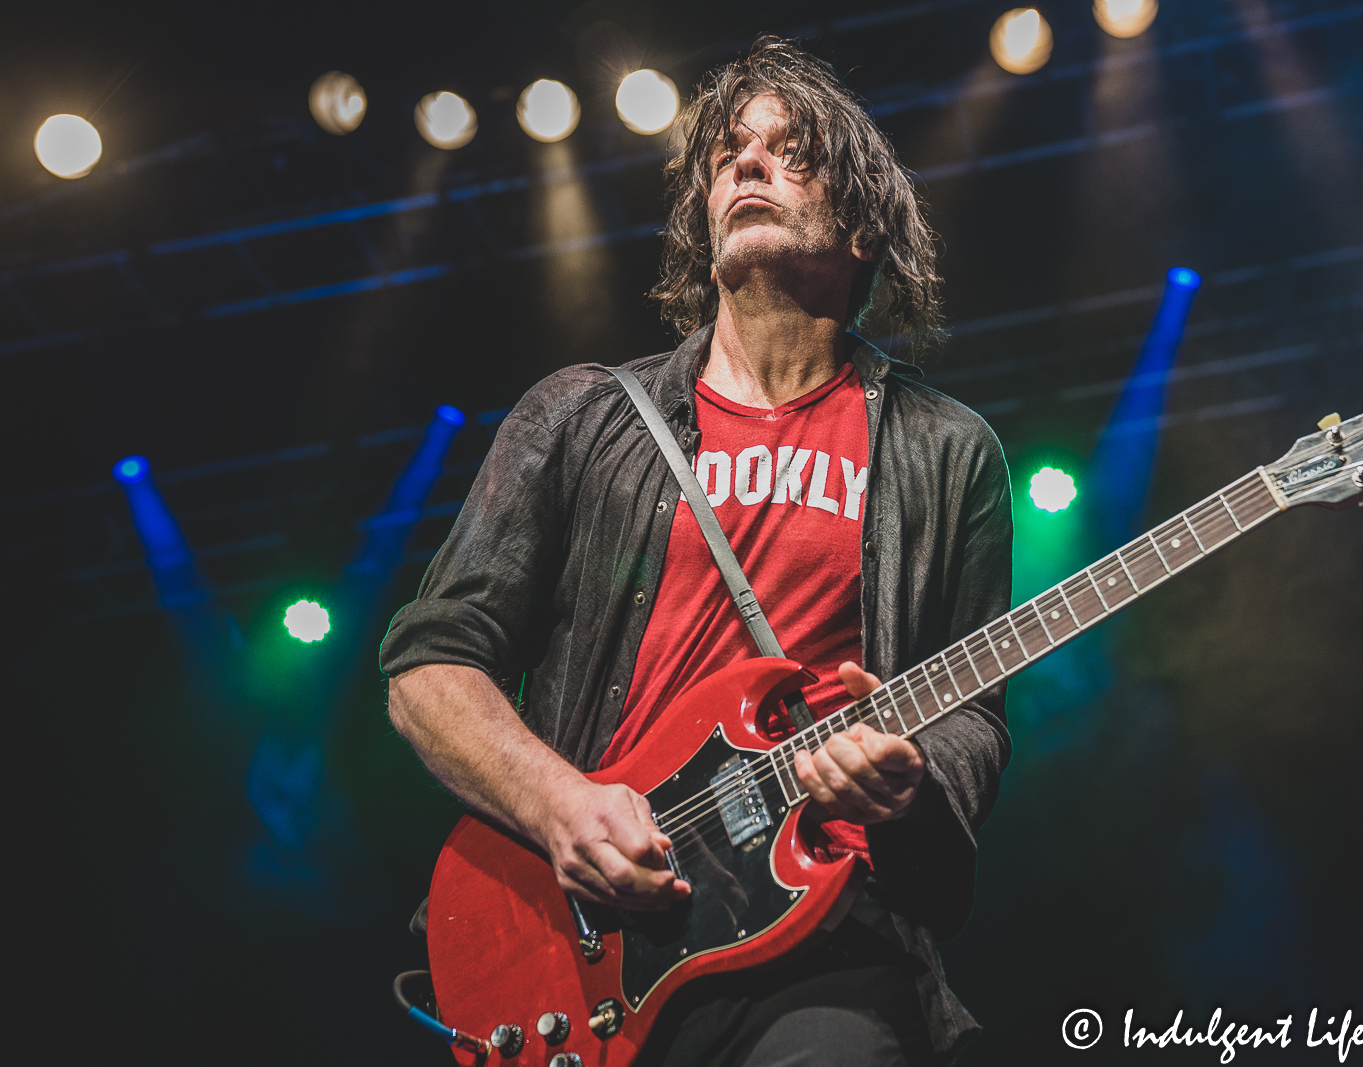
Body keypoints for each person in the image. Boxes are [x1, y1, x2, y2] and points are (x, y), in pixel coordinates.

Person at [381, 38, 1012, 1067]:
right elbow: (429, 665)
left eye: (791, 150)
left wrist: (914, 774)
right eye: (730, 151)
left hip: (827, 939)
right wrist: (561, 805)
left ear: (859, 221)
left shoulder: (945, 449)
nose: (748, 165)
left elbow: (972, 709)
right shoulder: (583, 416)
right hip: (595, 938)